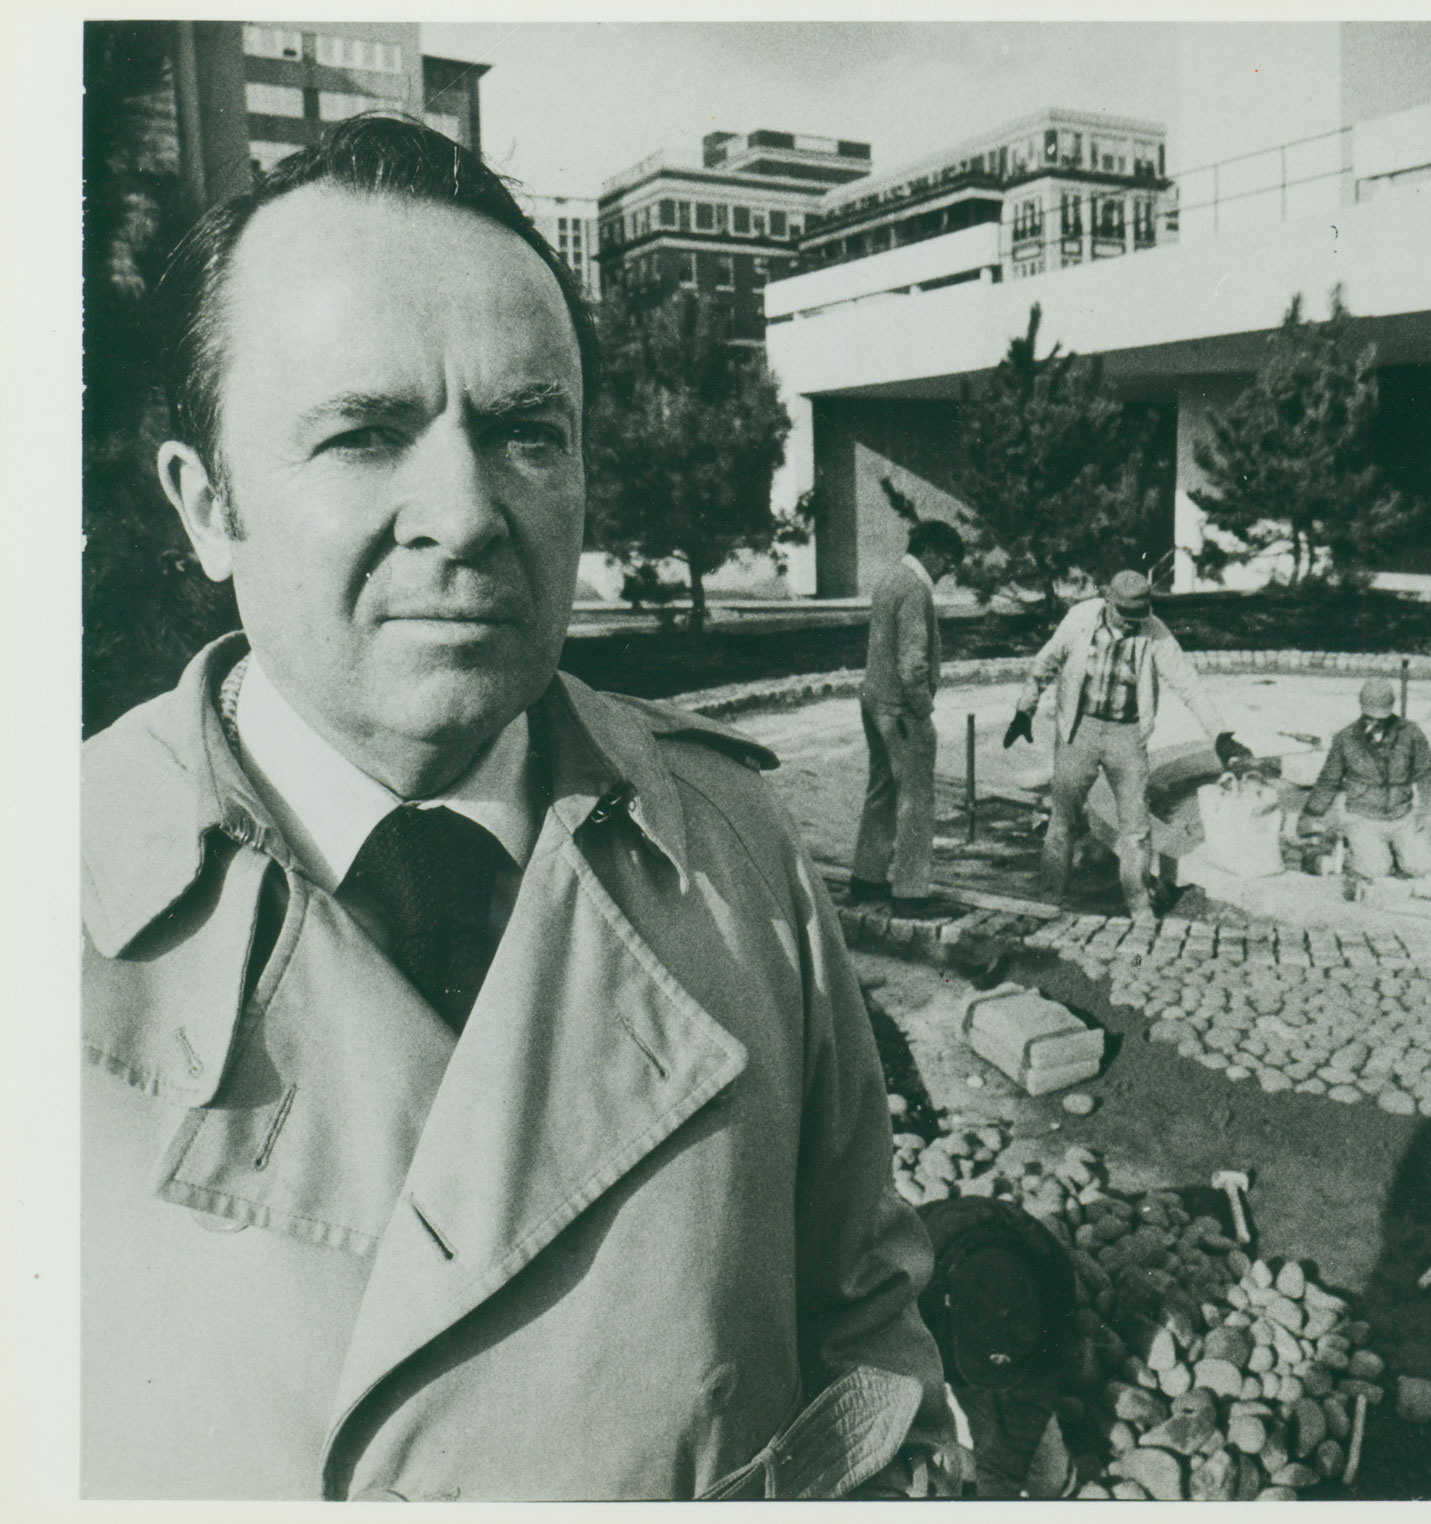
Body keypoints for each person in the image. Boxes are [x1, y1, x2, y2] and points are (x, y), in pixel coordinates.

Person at [79, 116, 947, 1502]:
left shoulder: (737, 849)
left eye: (526, 431)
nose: (467, 511)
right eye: (365, 434)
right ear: (205, 506)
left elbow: (862, 1316)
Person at [1004, 570, 1251, 916]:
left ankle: (1138, 905)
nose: (1132, 622)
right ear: (1108, 601)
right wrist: (1024, 710)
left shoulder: (1154, 631)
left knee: (1136, 827)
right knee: (1063, 820)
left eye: (1139, 615)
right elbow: (1046, 662)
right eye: (1126, 615)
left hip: (1127, 735)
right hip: (1080, 730)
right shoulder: (1080, 619)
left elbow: (1188, 682)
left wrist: (1221, 735)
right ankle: (1049, 899)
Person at [916, 1196, 1083, 1499]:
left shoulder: (1053, 1296)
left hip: (961, 1330)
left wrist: (995, 1497)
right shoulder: (908, 1278)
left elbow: (1026, 1405)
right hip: (926, 1326)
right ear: (948, 1304)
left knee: (1049, 1480)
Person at [849, 519, 965, 917]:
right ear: (930, 551)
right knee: (916, 800)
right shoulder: (915, 590)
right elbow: (912, 664)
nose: (949, 569)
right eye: (948, 560)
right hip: (902, 711)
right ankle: (910, 892)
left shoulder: (889, 580)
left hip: (874, 702)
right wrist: (924, 711)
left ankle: (866, 878)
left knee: (881, 791)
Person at [1296, 676, 1431, 878]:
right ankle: (1348, 856)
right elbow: (1328, 781)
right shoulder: (1346, 738)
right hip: (1362, 818)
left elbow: (1428, 773)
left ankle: (1389, 851)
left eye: (1382, 718)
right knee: (1376, 871)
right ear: (1363, 708)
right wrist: (1311, 813)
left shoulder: (1410, 733)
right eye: (1371, 717)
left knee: (1425, 868)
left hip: (1403, 816)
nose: (1376, 722)